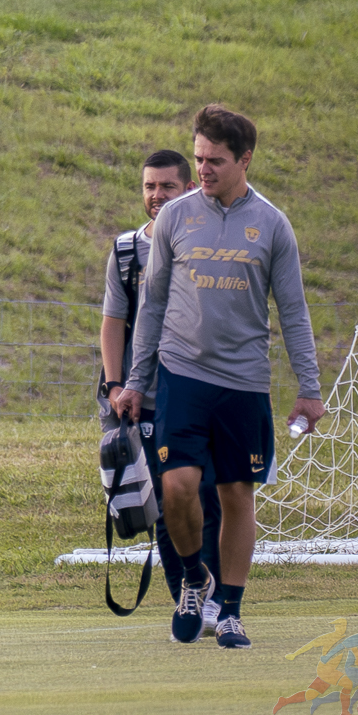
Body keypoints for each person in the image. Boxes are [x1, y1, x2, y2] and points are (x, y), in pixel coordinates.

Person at [117, 104, 326, 651]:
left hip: (245, 381)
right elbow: (153, 303)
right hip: (182, 374)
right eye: (199, 158)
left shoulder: (274, 225)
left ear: (245, 160)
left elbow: (295, 312)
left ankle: (230, 609)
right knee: (178, 486)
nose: (203, 169)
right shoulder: (176, 218)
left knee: (237, 494)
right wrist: (135, 381)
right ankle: (193, 579)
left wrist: (309, 389)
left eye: (215, 160)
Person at [99, 147, 222, 618]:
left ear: (190, 188)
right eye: (150, 186)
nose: (157, 195)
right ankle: (188, 599)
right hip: (145, 398)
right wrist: (115, 386)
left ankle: (217, 596)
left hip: (205, 391)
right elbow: (114, 321)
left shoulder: (212, 243)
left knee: (211, 496)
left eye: (167, 186)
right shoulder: (127, 250)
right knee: (169, 502)